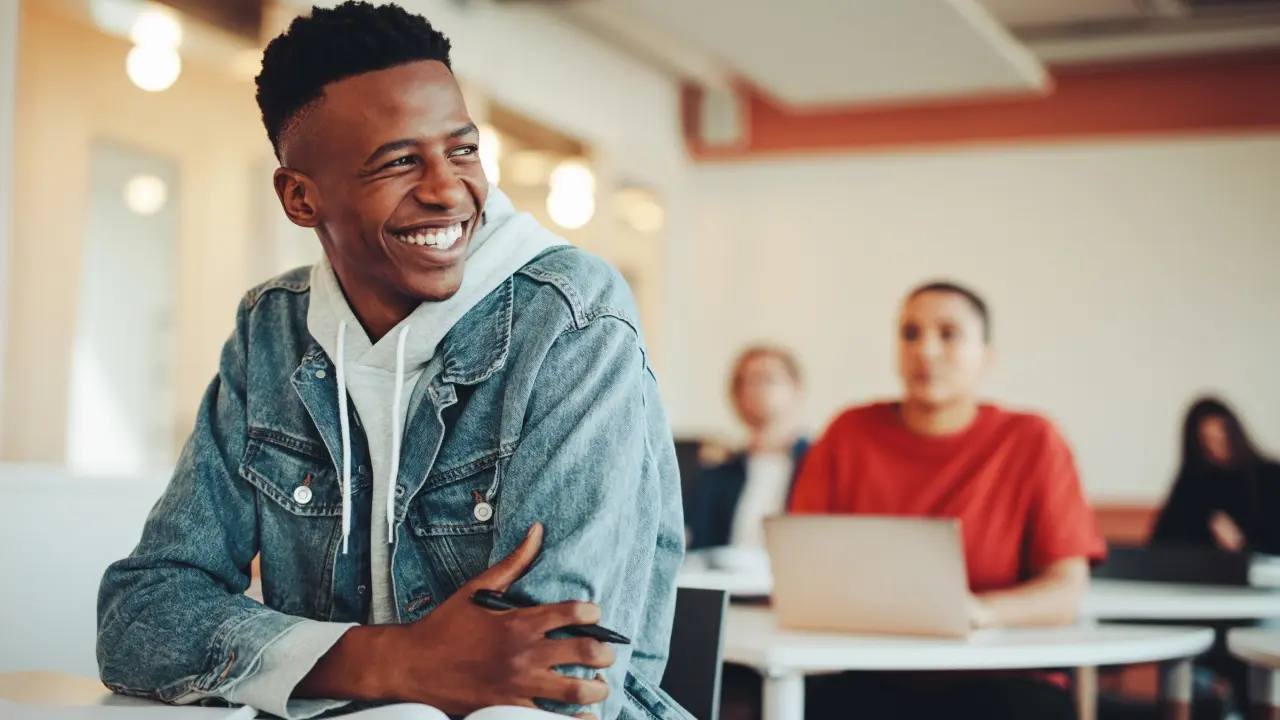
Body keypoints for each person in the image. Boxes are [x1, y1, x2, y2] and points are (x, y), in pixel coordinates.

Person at [95, 4, 687, 720]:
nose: (447, 189)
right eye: (400, 161)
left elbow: (556, 678)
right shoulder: (272, 330)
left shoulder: (570, 316)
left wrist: (310, 662)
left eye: (463, 150)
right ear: (300, 198)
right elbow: (140, 617)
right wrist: (398, 660)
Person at [787, 280, 1106, 720]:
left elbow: (1066, 591)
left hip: (1001, 676)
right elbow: (803, 567)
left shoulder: (1033, 441)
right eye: (910, 334)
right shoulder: (848, 433)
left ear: (987, 357)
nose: (927, 351)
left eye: (949, 334)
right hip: (870, 671)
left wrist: (982, 611)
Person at [687, 346, 809, 551]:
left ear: (796, 388)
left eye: (766, 378)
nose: (752, 389)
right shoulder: (719, 470)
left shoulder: (818, 464)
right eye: (742, 382)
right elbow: (699, 544)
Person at [1151, 396, 1280, 554]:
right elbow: (1161, 546)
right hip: (1201, 574)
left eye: (1221, 438)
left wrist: (1242, 544)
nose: (1217, 448)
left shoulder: (1269, 477)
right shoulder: (1190, 484)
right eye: (1208, 441)